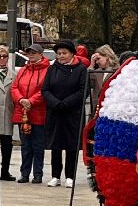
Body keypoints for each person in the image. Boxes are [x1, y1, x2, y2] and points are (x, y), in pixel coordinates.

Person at [43, 40, 87, 188]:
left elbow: (83, 91)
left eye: (64, 53)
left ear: (72, 54)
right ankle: (55, 175)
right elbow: (45, 89)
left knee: (71, 145)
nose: (61, 56)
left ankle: (70, 176)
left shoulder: (81, 69)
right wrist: (55, 102)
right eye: (59, 53)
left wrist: (66, 103)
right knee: (55, 145)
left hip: (72, 112)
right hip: (55, 112)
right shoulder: (52, 69)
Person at [11, 43, 50, 184]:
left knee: (38, 145)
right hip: (23, 113)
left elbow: (45, 89)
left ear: (41, 54)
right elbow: (14, 87)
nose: (31, 55)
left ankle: (38, 174)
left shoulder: (47, 70)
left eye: (34, 52)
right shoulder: (23, 70)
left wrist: (31, 101)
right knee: (25, 145)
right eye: (29, 52)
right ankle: (25, 173)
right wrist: (21, 100)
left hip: (39, 112)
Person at [0, 45, 15, 180]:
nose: (1, 59)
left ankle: (5, 171)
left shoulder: (13, 74)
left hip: (7, 113)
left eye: (4, 56)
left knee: (7, 145)